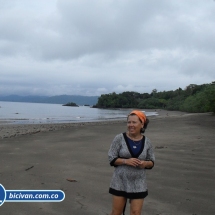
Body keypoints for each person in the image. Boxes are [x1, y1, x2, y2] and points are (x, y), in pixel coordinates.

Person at [108, 110, 155, 215]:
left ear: (142, 124)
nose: (131, 125)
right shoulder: (119, 138)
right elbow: (111, 158)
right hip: (120, 180)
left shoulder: (147, 142)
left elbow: (152, 161)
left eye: (134, 122)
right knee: (116, 212)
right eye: (129, 122)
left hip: (138, 181)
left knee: (136, 212)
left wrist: (145, 164)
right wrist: (125, 161)